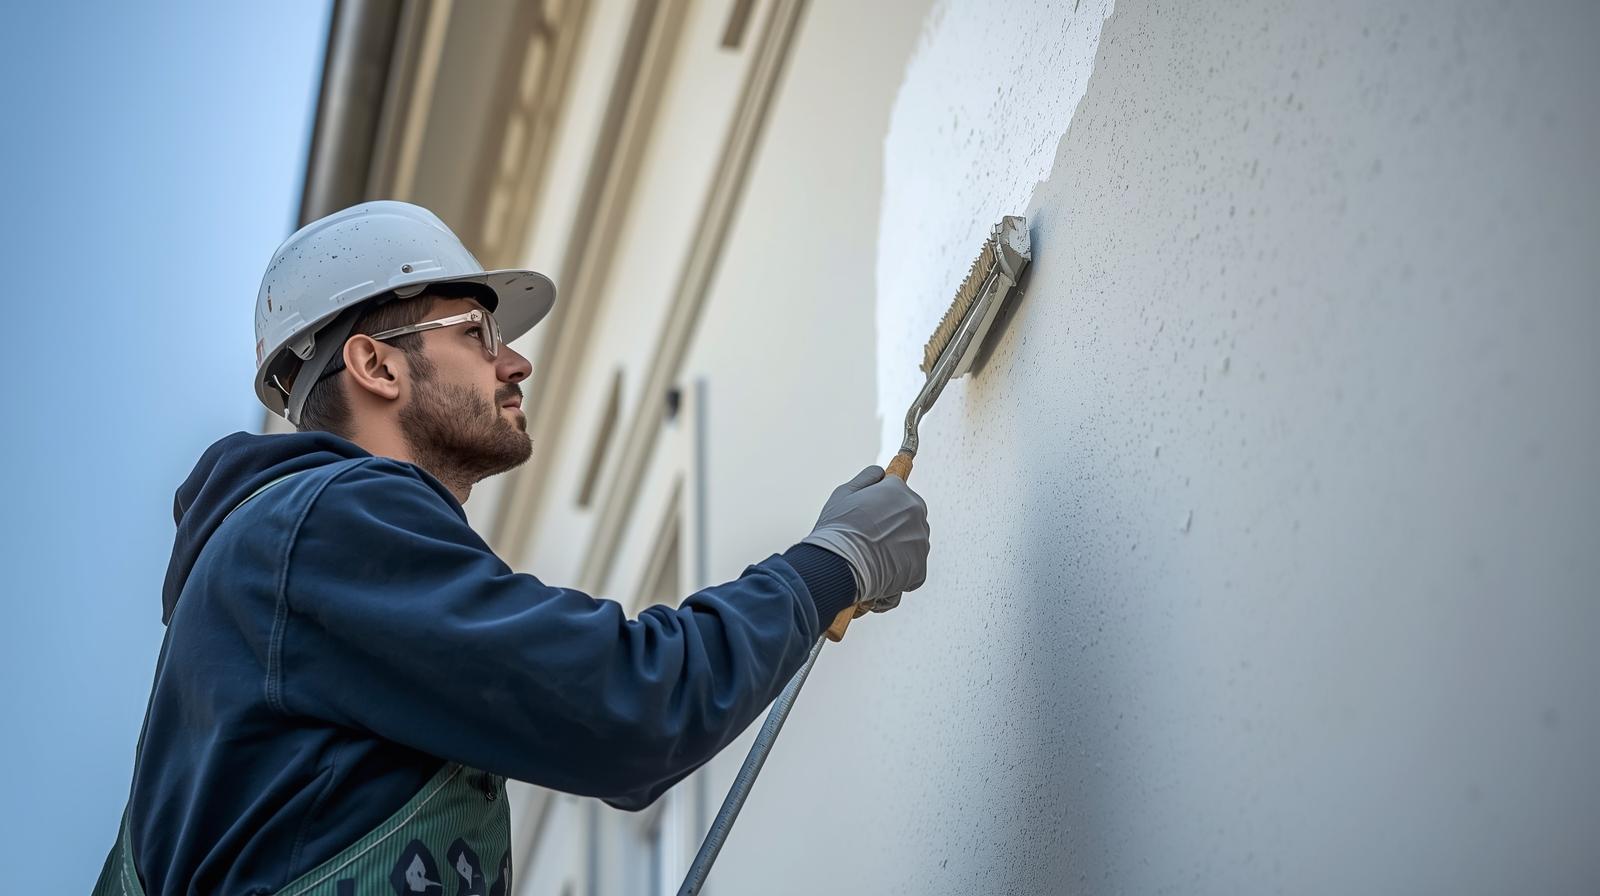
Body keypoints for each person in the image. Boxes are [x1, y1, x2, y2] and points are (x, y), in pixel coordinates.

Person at [92, 200, 931, 895]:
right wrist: (834, 564)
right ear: (376, 366)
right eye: (478, 334)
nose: (517, 362)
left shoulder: (289, 568)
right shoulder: (326, 527)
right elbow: (626, 707)